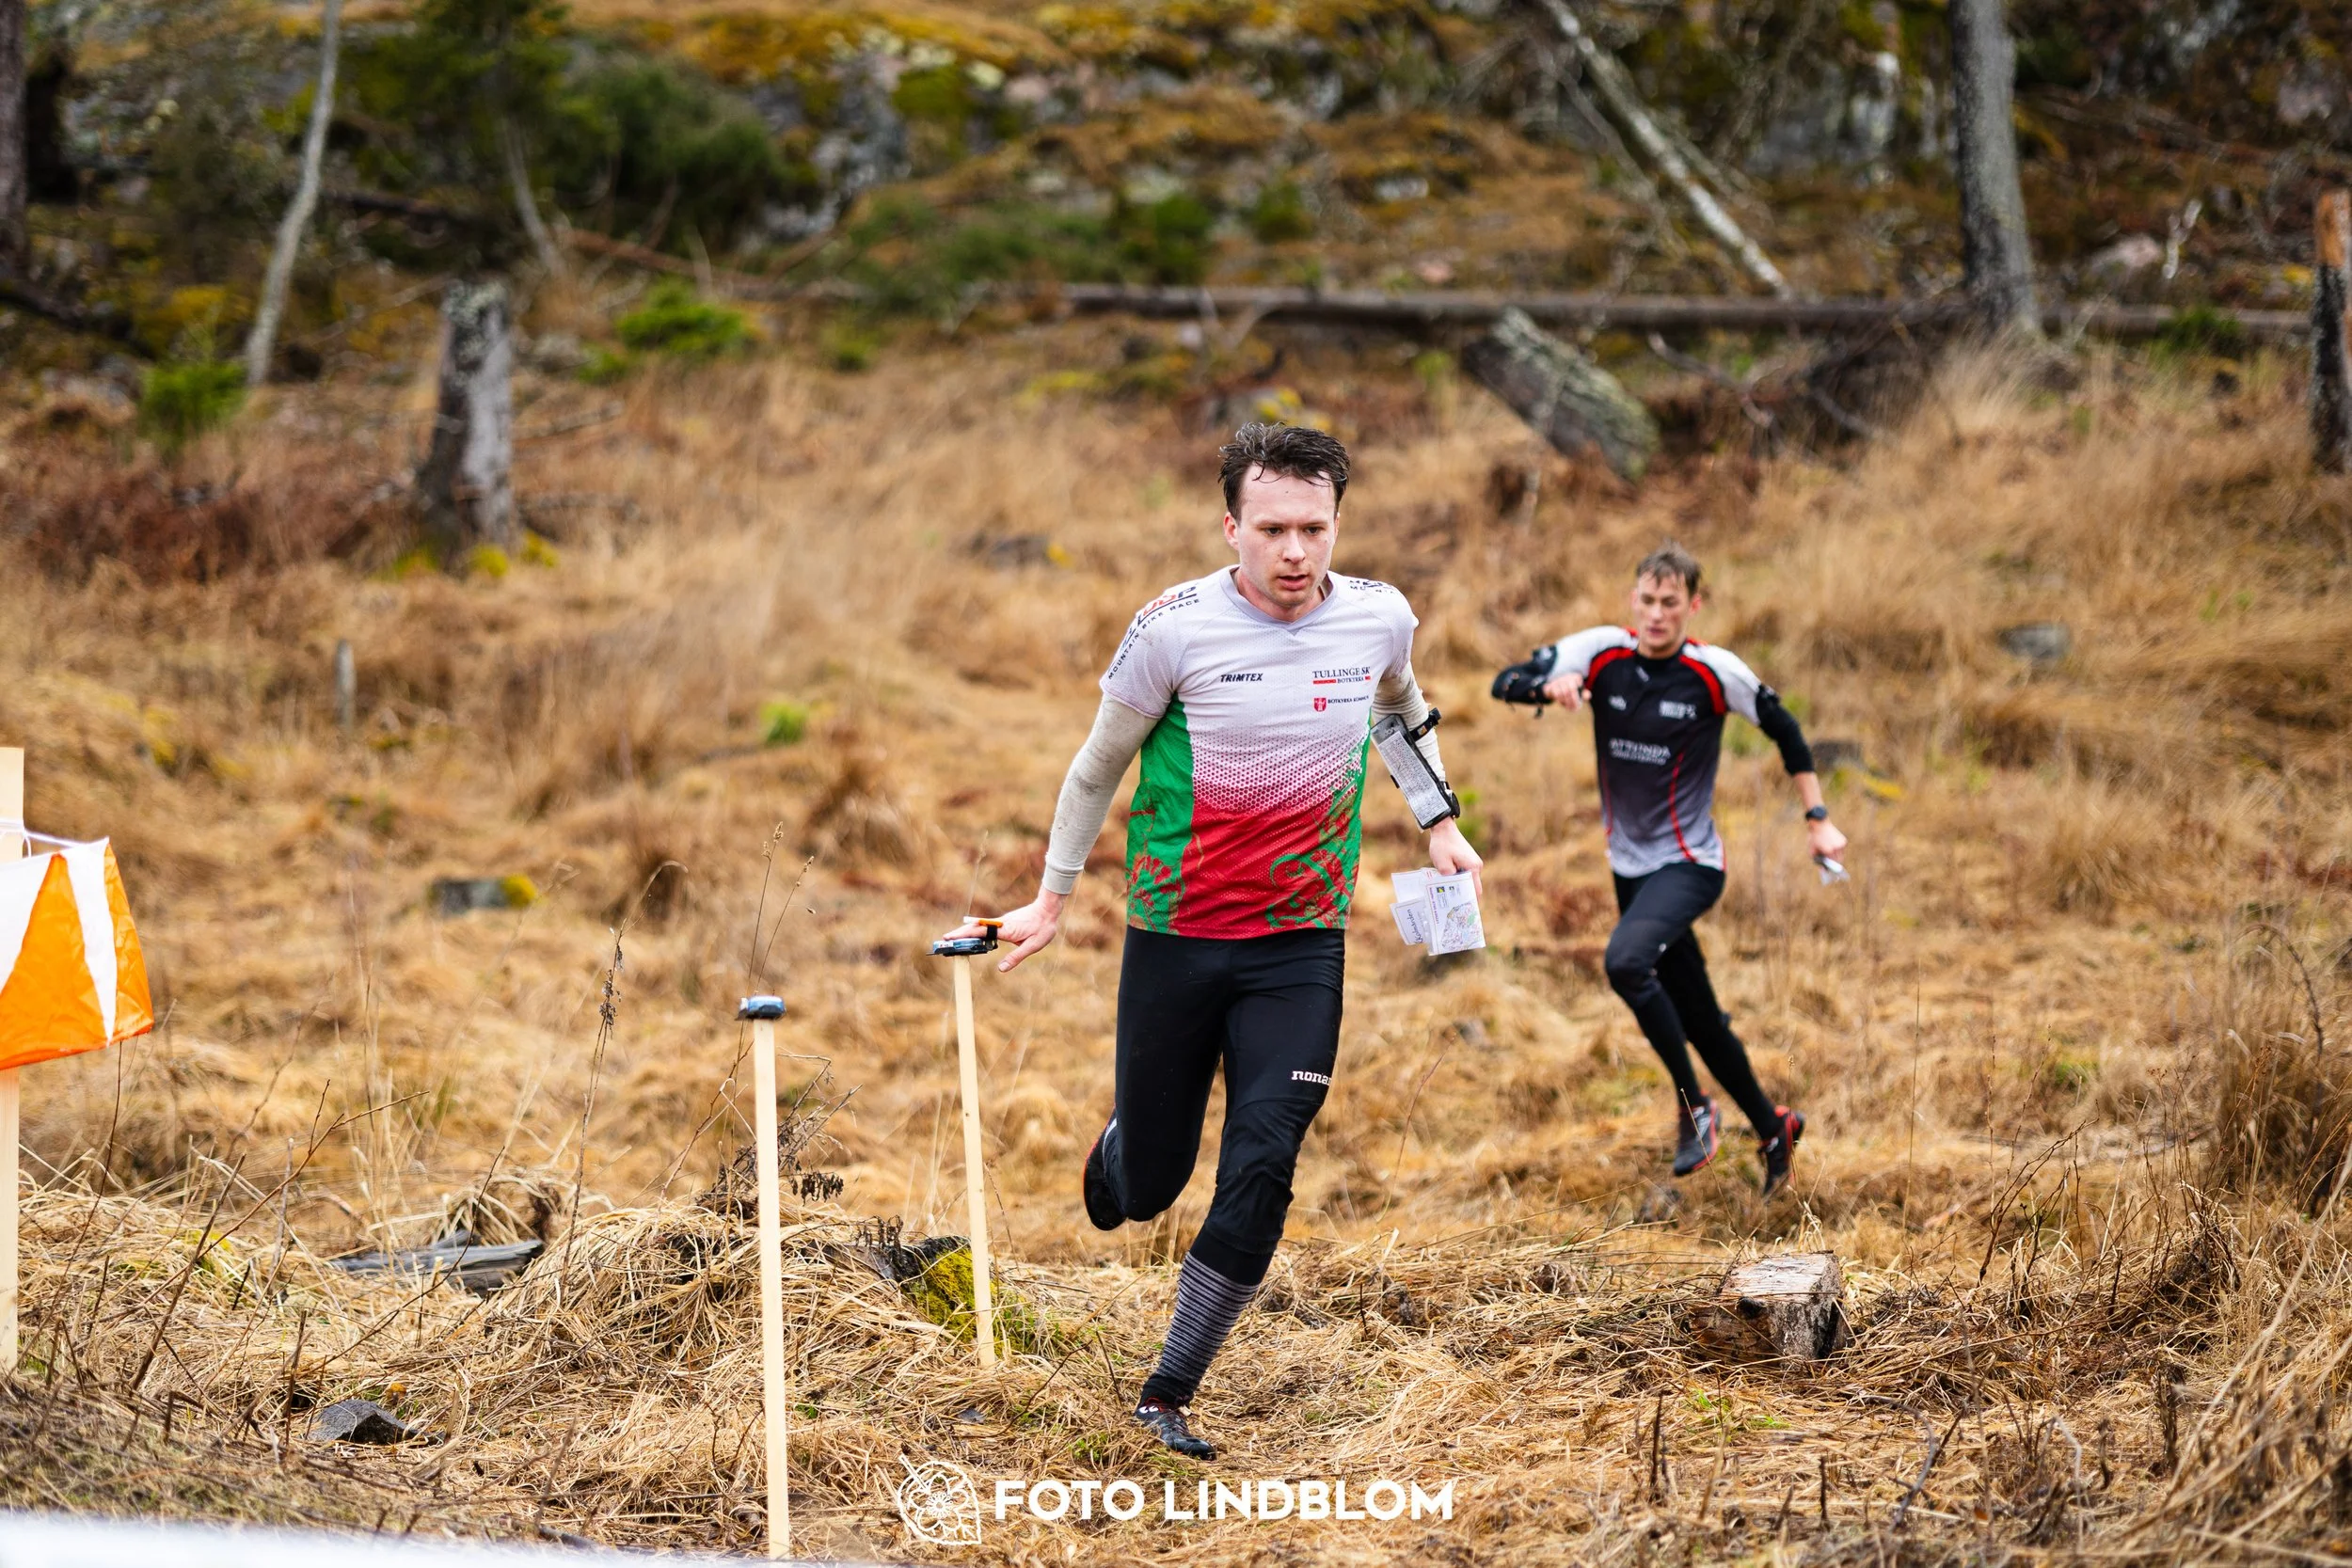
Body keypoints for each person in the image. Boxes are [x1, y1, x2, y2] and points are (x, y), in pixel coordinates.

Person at [939, 423, 1483, 1460]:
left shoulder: (1379, 616)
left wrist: (1441, 825)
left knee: (1264, 1161)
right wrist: (1051, 900)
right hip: (1175, 936)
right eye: (1271, 528)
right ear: (1231, 526)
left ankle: (1166, 1390)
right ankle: (1121, 1147)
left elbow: (1400, 711)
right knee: (1145, 1188)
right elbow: (1097, 767)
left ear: (1336, 526)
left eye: (1313, 529)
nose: (1293, 551)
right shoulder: (1172, 628)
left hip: (1299, 943)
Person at [1490, 542, 1844, 1198]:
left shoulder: (1714, 672)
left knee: (1626, 962)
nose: (1657, 614)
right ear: (1634, 600)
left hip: (1690, 863)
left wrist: (1816, 816)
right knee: (1701, 1017)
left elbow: (1786, 728)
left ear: (1693, 604)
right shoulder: (1600, 651)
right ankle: (1774, 1128)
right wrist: (1551, 685)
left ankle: (1695, 1107)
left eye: (1670, 603)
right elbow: (1503, 681)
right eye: (1647, 601)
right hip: (1629, 868)